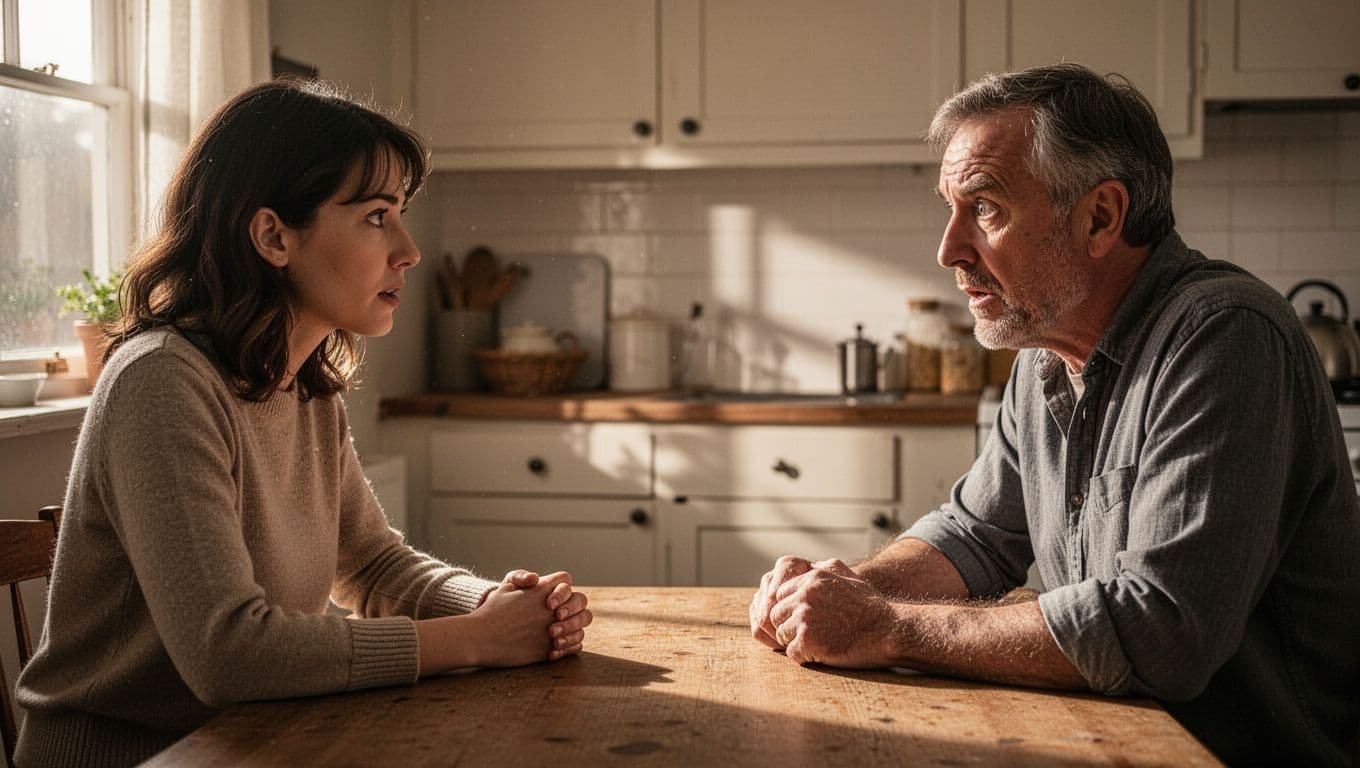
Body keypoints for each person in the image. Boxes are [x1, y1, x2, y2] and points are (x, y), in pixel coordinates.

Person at [749, 63, 1360, 766]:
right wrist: (836, 590)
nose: (948, 250)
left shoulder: (1224, 336)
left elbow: (1161, 632)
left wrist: (886, 628)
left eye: (983, 208)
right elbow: (974, 537)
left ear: (1100, 216)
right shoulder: (1046, 355)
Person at [14, 79, 593, 768]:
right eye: (378, 216)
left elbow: (372, 564)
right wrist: (478, 640)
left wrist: (491, 603)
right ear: (273, 236)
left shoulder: (303, 387)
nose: (407, 249)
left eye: (400, 213)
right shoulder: (162, 381)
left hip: (250, 745)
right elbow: (227, 652)